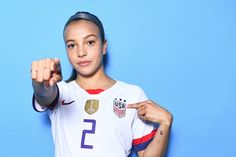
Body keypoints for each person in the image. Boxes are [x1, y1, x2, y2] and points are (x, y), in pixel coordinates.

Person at [31, 11, 173, 157]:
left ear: (104, 46)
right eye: (72, 45)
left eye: (90, 42)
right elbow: (43, 94)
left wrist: (165, 124)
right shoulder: (61, 91)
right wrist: (41, 83)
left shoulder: (132, 95)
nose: (81, 52)